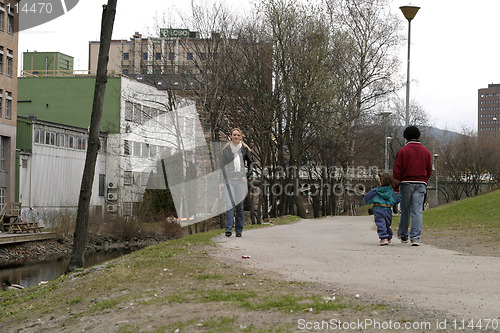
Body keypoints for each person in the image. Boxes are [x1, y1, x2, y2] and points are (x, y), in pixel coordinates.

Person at [393, 126, 433, 246]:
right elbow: (429, 169)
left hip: (406, 183)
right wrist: (425, 180)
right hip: (421, 184)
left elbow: (397, 170)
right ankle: (415, 238)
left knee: (405, 210)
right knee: (417, 211)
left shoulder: (403, 151)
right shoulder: (426, 152)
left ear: (406, 137)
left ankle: (404, 234)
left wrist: (395, 187)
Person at [220, 128, 253, 237]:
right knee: (229, 205)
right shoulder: (226, 150)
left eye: (238, 135)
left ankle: (239, 231)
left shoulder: (244, 149)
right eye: (234, 135)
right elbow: (221, 166)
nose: (236, 137)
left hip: (240, 181)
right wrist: (222, 180)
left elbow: (251, 164)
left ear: (240, 137)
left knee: (239, 207)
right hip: (229, 180)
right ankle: (228, 230)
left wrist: (247, 176)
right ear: (231, 136)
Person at [364, 172, 401, 246]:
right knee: (386, 225)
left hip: (379, 209)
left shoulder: (377, 191)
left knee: (380, 224)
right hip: (388, 210)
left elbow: (367, 197)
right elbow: (397, 199)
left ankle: (384, 238)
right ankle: (388, 237)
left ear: (381, 181)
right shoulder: (391, 192)